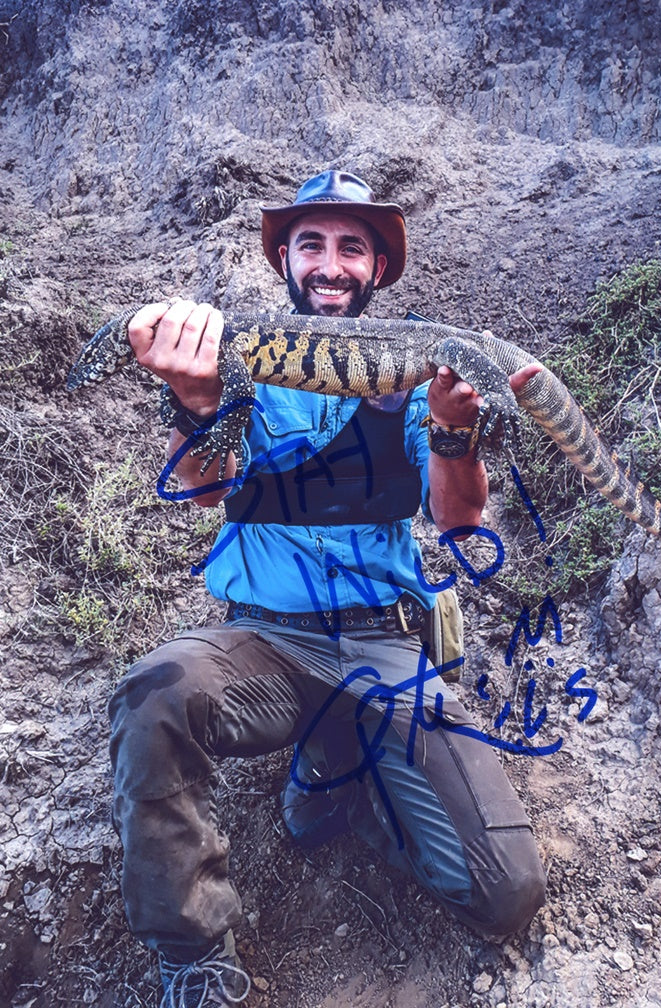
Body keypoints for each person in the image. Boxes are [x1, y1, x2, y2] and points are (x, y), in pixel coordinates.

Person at [109, 170, 547, 1007]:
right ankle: (195, 957)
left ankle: (349, 770)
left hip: (383, 642)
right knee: (153, 695)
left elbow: (458, 522)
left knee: (504, 891)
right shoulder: (243, 362)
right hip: (264, 639)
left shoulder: (415, 376)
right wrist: (195, 399)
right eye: (311, 244)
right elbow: (202, 489)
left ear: (378, 269)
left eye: (353, 247)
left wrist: (456, 433)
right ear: (285, 259)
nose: (331, 264)